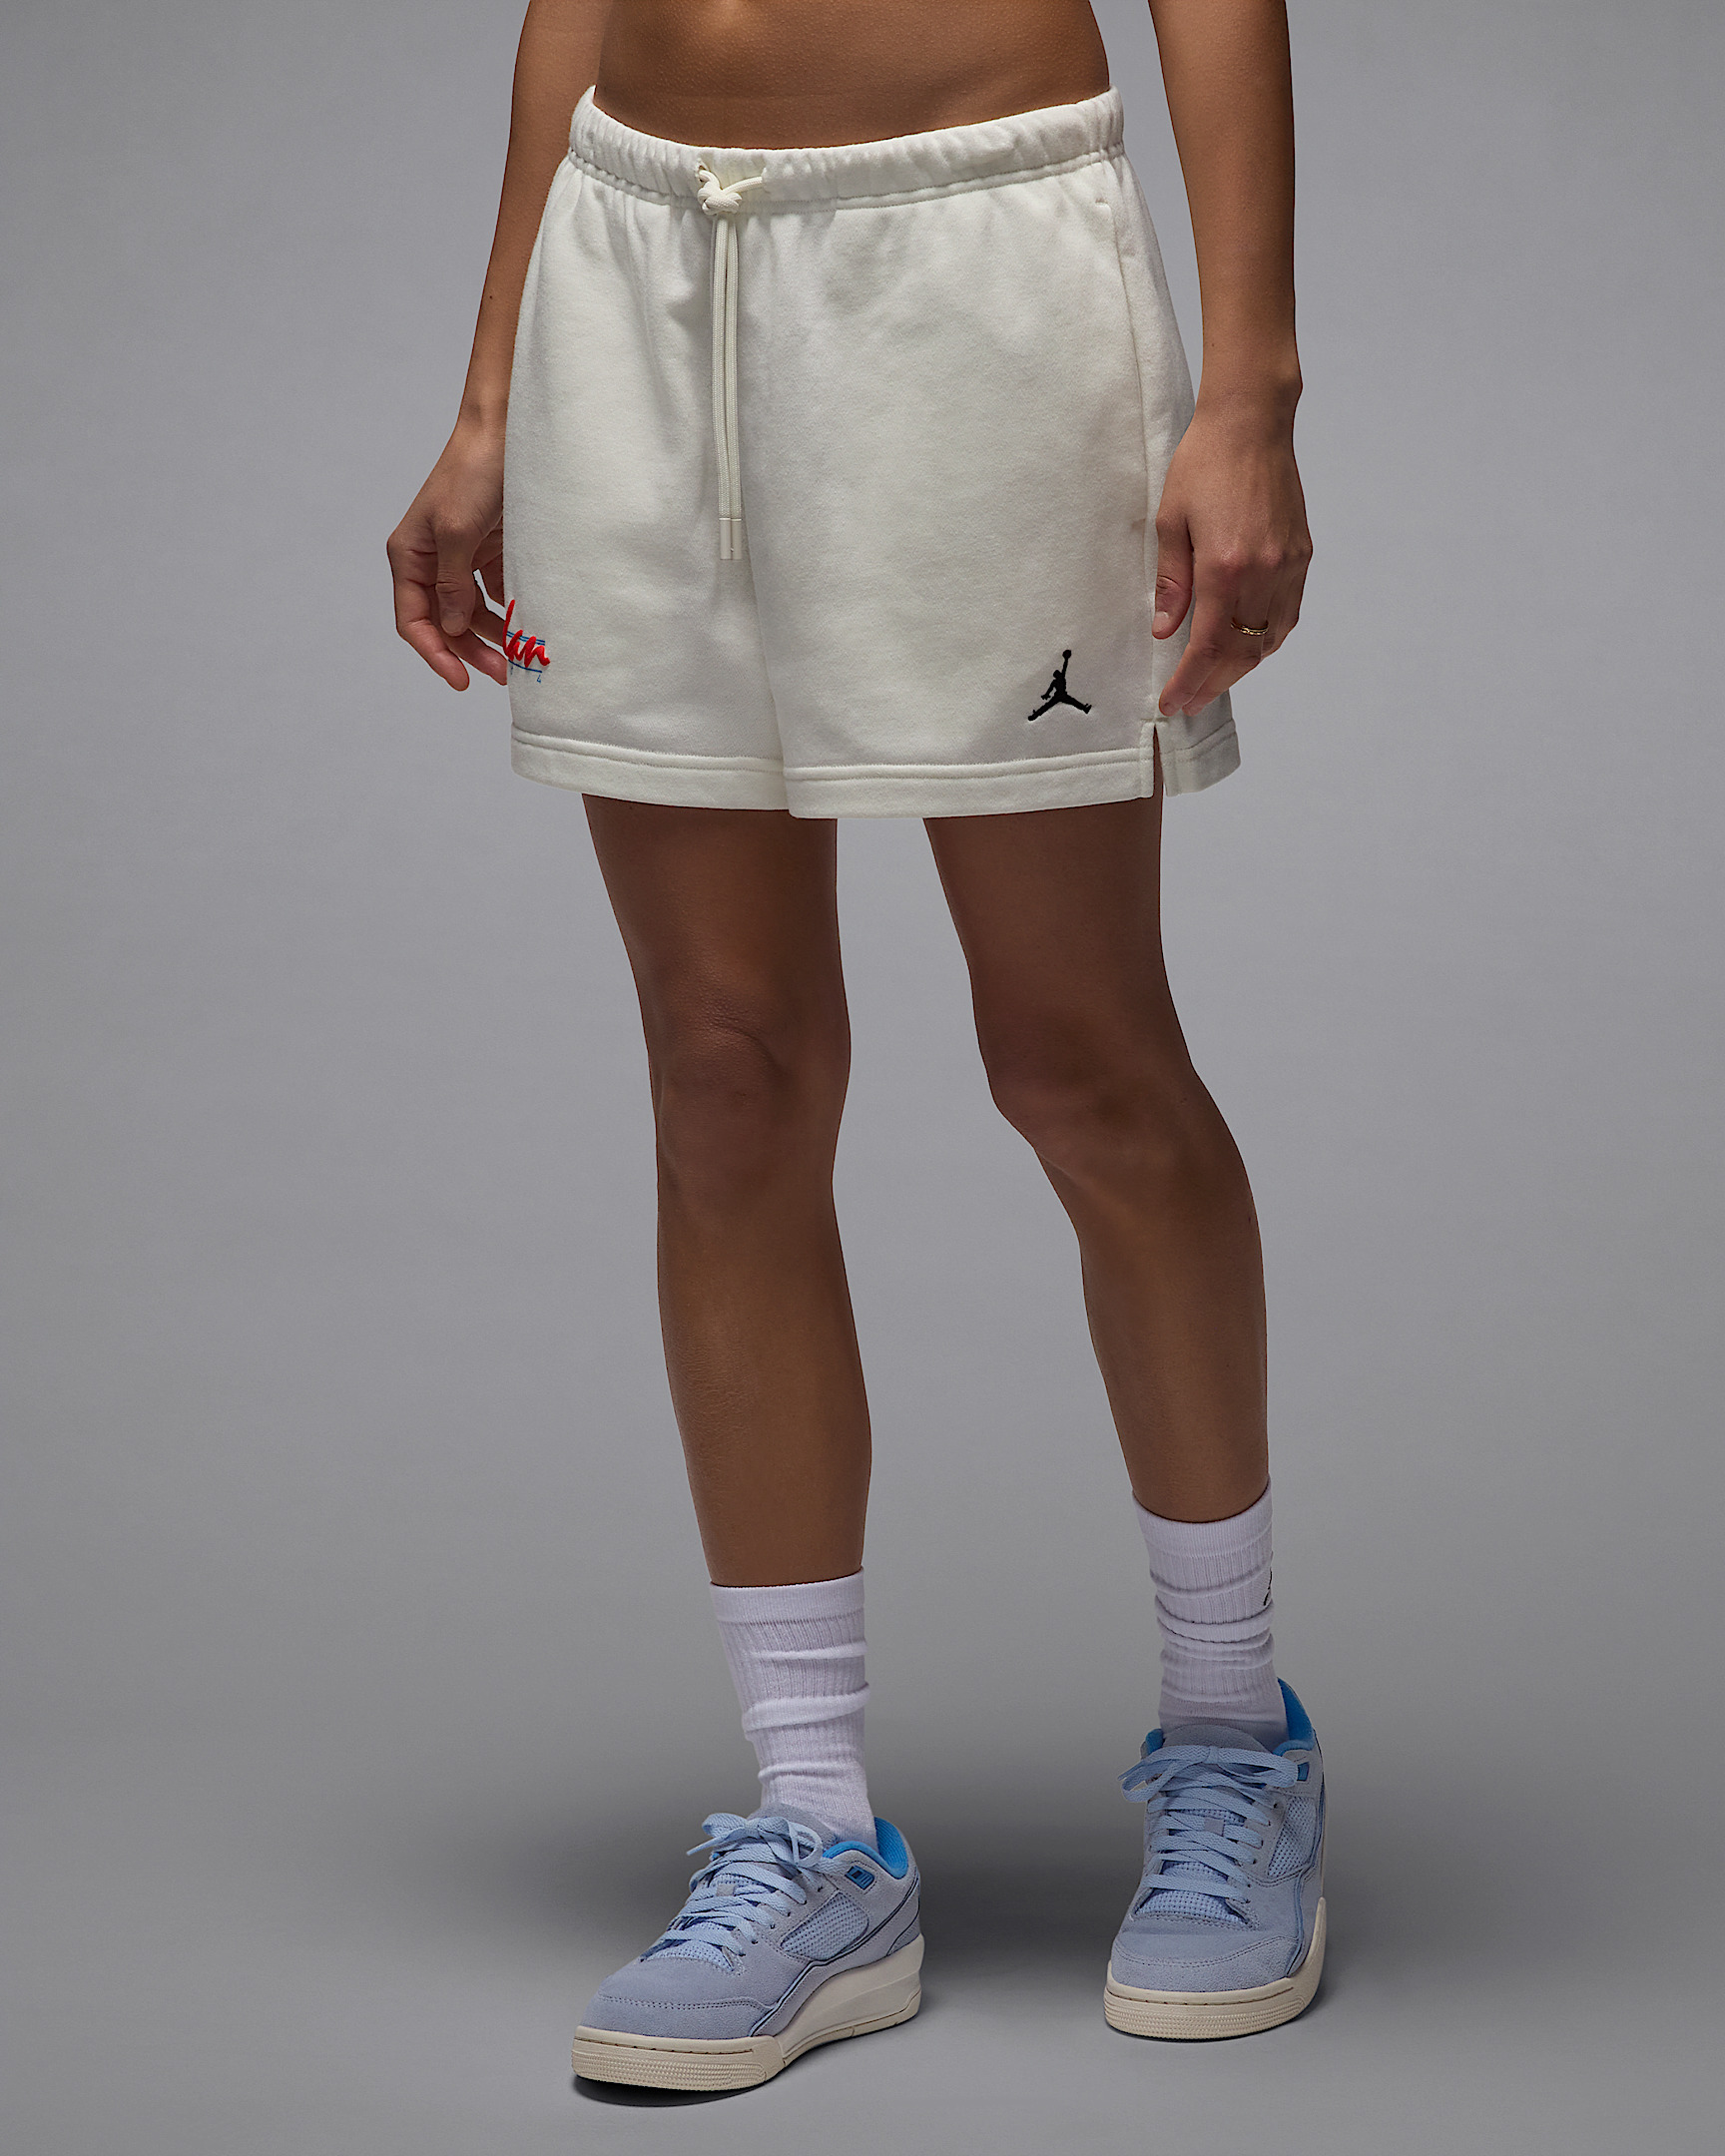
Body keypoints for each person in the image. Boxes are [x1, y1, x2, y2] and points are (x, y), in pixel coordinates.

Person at [387, 0, 1322, 2090]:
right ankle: (814, 1832)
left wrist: (1250, 388)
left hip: (974, 257)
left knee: (1080, 1064)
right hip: (631, 269)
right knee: (722, 1077)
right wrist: (494, 392)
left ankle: (1234, 1740)